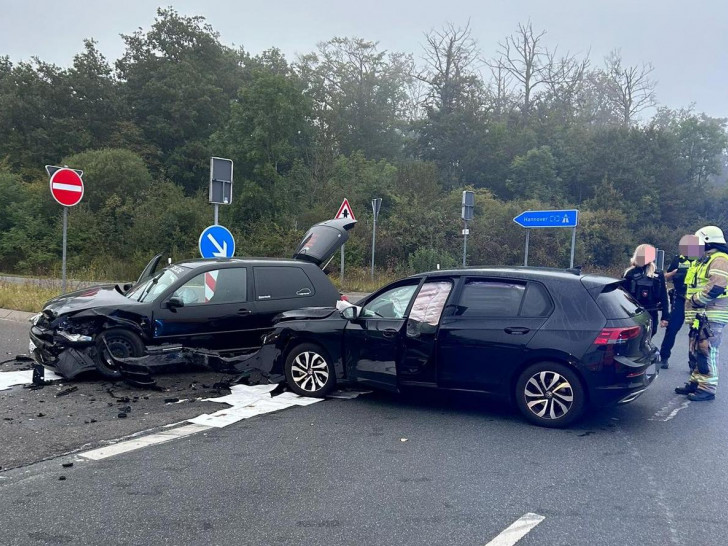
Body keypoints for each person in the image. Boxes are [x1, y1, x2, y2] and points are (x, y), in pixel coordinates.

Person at [675, 226, 728, 401]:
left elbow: (717, 286)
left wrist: (696, 300)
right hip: (701, 315)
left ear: (707, 241)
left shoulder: (720, 259)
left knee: (708, 351)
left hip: (711, 314)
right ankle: (696, 382)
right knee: (697, 350)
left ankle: (708, 388)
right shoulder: (705, 259)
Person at [659, 235, 700, 369]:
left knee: (695, 332)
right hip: (680, 298)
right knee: (672, 328)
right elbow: (667, 276)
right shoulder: (678, 259)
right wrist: (673, 273)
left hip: (696, 301)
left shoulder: (701, 260)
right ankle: (664, 357)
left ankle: (693, 362)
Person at [623, 244, 669, 337]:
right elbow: (623, 295)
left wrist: (665, 317)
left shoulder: (657, 273)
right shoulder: (629, 273)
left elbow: (664, 295)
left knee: (651, 333)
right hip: (634, 312)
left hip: (651, 311)